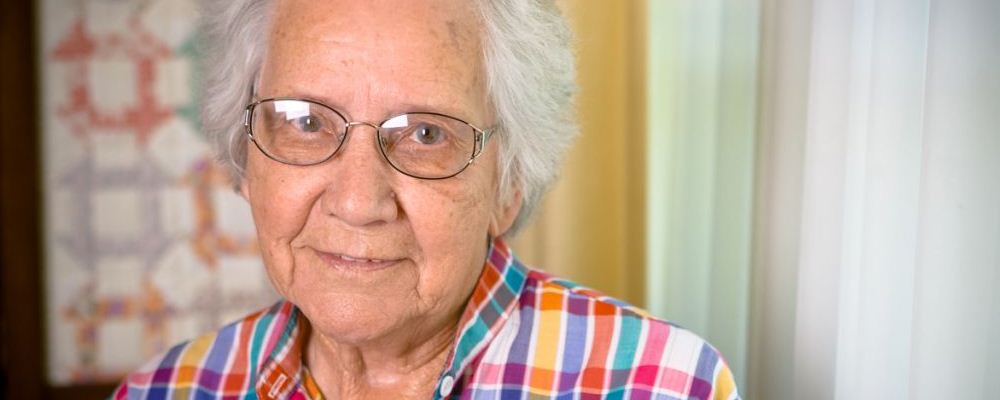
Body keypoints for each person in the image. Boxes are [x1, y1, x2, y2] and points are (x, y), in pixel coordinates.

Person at [113, 0, 740, 399]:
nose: (359, 202)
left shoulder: (659, 383)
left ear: (508, 183)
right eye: (306, 122)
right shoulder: (164, 391)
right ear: (246, 157)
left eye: (426, 134)